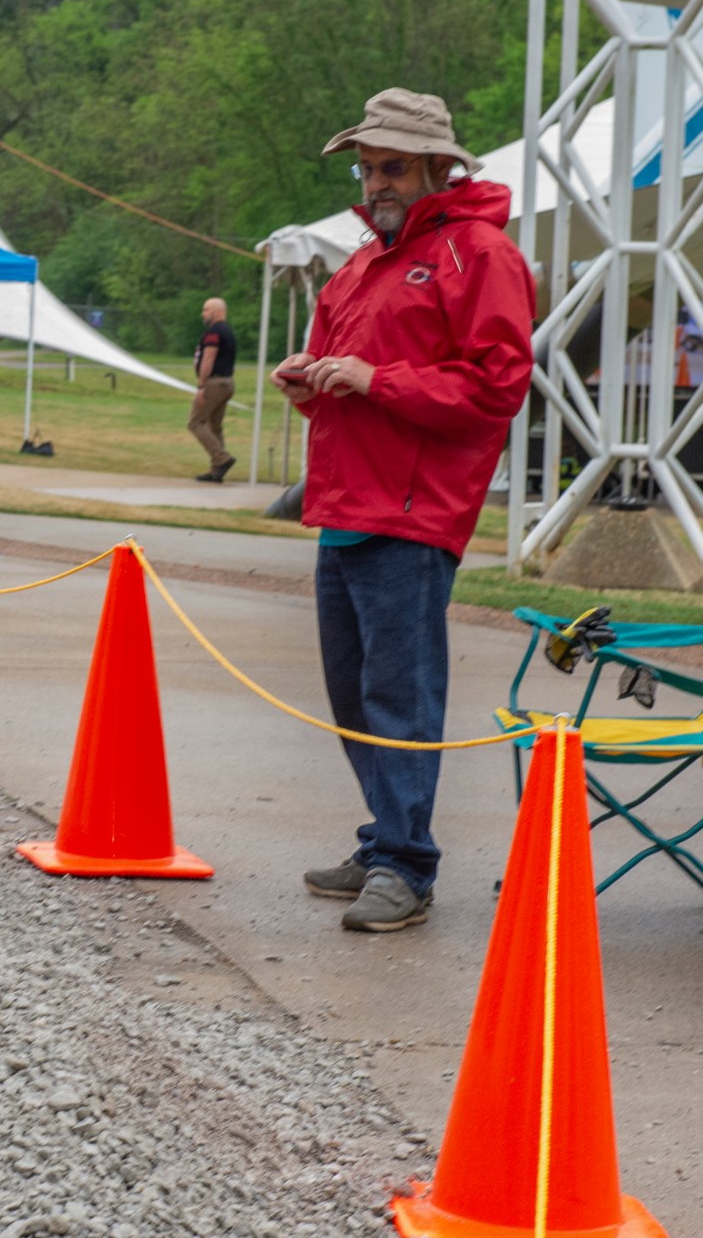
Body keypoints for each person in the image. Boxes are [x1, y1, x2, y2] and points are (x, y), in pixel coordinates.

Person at [275, 88, 534, 932]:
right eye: (368, 165)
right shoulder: (360, 261)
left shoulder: (481, 253)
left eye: (392, 165)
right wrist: (312, 379)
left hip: (414, 516)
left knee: (400, 695)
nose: (375, 180)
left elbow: (498, 386)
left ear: (436, 167)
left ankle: (407, 867)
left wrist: (373, 379)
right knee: (353, 697)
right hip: (346, 505)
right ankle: (387, 837)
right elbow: (349, 382)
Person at [188, 297, 236, 481]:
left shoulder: (214, 333)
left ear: (217, 312)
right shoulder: (227, 331)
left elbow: (208, 358)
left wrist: (201, 386)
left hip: (214, 383)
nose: (203, 314)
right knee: (214, 426)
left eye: (206, 310)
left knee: (195, 422)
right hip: (227, 383)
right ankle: (217, 469)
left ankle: (222, 459)